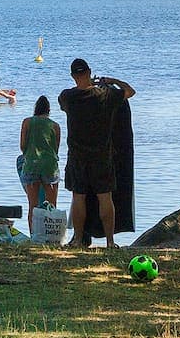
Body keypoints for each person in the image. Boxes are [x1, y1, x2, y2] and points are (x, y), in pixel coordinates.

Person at [58, 58, 135, 249]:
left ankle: (77, 239)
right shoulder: (106, 95)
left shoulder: (67, 97)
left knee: (78, 197)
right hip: (102, 156)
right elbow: (130, 92)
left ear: (72, 76)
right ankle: (110, 242)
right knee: (105, 197)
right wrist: (111, 81)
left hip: (77, 157)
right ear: (89, 72)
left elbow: (66, 101)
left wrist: (89, 85)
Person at [19, 96, 61, 231]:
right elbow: (56, 149)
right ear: (49, 110)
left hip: (31, 164)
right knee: (52, 205)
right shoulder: (55, 126)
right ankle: (51, 235)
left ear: (35, 108)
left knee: (33, 205)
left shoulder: (26, 122)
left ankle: (34, 235)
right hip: (50, 167)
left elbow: (22, 146)